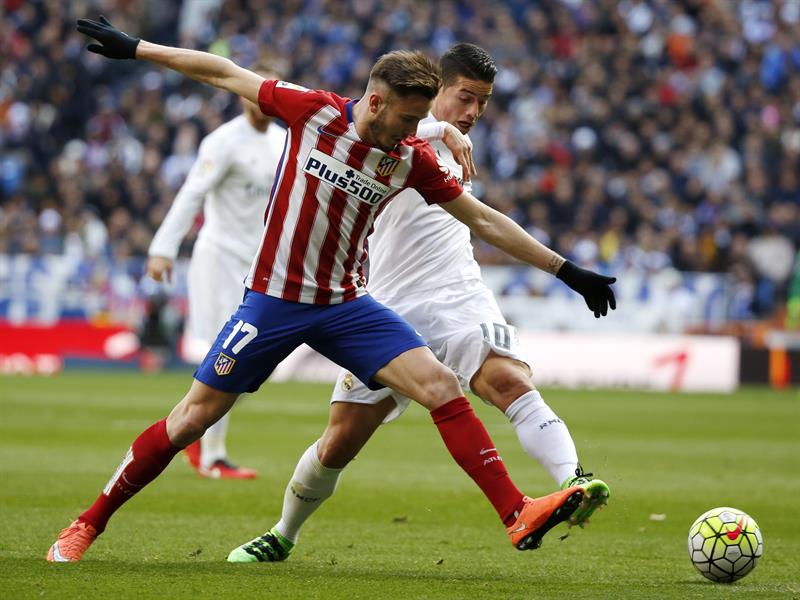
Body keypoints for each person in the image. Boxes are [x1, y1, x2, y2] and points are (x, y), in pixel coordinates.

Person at [48, 16, 615, 563]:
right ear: (376, 102)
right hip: (273, 301)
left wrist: (567, 271)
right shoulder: (313, 112)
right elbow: (223, 72)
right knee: (190, 420)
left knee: (441, 386)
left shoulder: (410, 159)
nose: (412, 132)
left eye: (421, 122)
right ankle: (88, 522)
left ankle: (516, 511)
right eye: (407, 119)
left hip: (346, 304)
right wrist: (137, 48)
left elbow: (485, 220)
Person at [227, 43, 610, 563]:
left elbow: (487, 221)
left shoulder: (447, 149)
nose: (473, 112)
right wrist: (435, 128)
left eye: (483, 103)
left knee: (509, 381)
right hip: (383, 311)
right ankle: (283, 533)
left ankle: (573, 483)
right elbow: (364, 119)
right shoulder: (395, 136)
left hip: (457, 298)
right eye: (465, 97)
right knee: (340, 441)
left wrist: (566, 270)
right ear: (435, 91)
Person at [146, 62, 287, 480]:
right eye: (252, 89)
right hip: (219, 258)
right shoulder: (223, 141)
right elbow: (193, 192)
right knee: (226, 355)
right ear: (242, 94)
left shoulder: (285, 141)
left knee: (261, 361)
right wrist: (163, 248)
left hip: (260, 264)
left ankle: (193, 427)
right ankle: (212, 454)